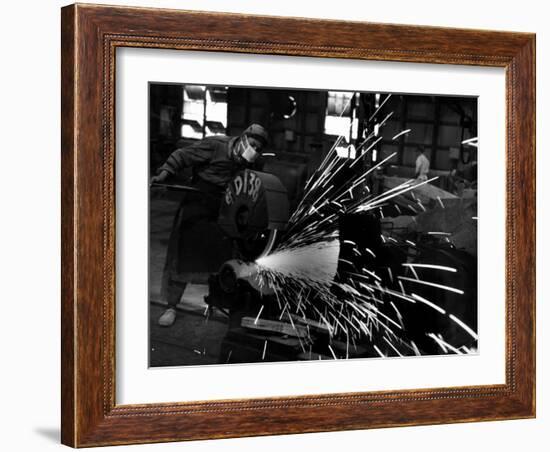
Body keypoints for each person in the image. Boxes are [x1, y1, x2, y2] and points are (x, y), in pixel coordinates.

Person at [151, 124, 269, 326]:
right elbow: (181, 156)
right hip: (197, 204)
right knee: (183, 257)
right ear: (243, 138)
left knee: (220, 260)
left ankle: (217, 304)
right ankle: (171, 306)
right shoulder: (216, 145)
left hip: (224, 210)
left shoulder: (253, 164)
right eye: (252, 144)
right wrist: (163, 175)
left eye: (259, 149)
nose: (254, 151)